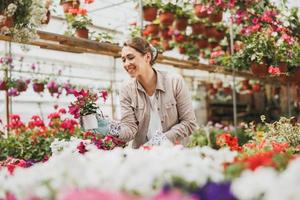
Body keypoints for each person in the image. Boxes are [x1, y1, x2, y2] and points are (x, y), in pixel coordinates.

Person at [92, 37, 197, 148]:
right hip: (144, 156)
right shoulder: (126, 89)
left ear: (147, 57)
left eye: (130, 57)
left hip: (174, 153)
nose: (126, 64)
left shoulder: (174, 82)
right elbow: (130, 129)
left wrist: (162, 140)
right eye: (123, 60)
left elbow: (189, 123)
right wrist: (110, 128)